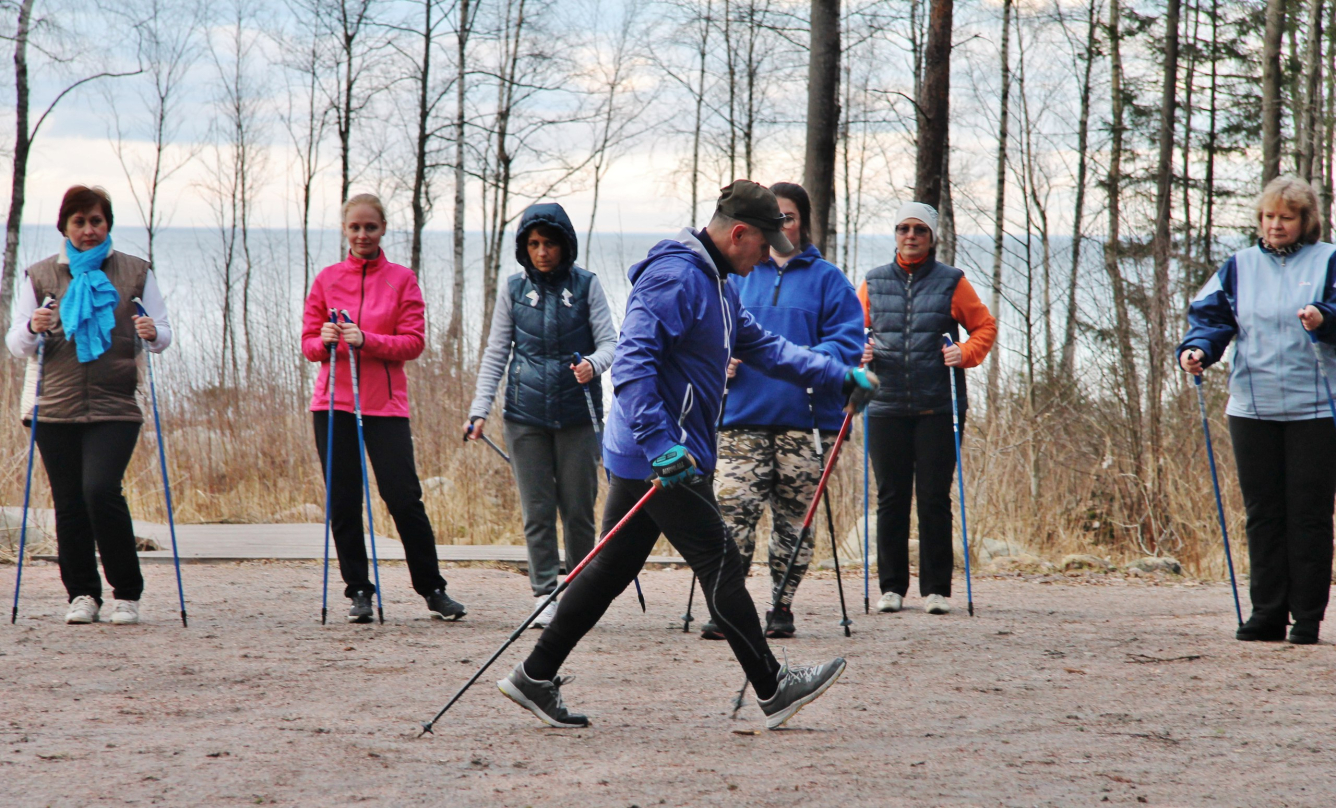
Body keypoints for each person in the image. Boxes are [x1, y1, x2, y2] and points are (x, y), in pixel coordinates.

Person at [496, 180, 879, 731]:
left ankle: (534, 674)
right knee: (721, 561)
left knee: (609, 570)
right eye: (764, 243)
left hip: (654, 453)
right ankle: (773, 687)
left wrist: (839, 374)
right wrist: (660, 444)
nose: (769, 254)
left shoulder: (718, 283)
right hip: (661, 456)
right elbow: (630, 367)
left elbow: (767, 348)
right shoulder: (677, 278)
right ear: (738, 233)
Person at [1177, 175, 1336, 645]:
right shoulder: (1238, 266)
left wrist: (1324, 318)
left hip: (1316, 408)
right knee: (1262, 513)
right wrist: (1199, 351)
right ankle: (1266, 613)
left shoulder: (1328, 259)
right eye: (1268, 216)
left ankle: (1307, 617)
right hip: (1253, 406)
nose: (1276, 225)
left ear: (1305, 221)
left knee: (1308, 514)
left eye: (1286, 217)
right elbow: (1211, 318)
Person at [5, 185, 172, 625]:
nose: (88, 230)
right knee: (69, 502)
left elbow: (164, 335)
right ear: (65, 227)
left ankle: (126, 593)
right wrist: (32, 326)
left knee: (100, 490)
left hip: (116, 404)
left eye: (96, 221)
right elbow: (16, 344)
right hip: (54, 406)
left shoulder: (135, 272)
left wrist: (153, 332)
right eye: (79, 222)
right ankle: (82, 594)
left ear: (107, 225)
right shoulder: (40, 276)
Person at [706, 181, 864, 640]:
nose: (781, 227)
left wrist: (798, 355)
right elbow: (710, 332)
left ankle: (782, 606)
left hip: (806, 421)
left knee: (795, 521)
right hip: (740, 417)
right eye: (773, 219)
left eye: (789, 217)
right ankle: (729, 607)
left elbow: (848, 344)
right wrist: (724, 358)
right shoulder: (737, 273)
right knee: (733, 514)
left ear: (804, 222)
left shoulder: (829, 280)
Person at [301, 193, 466, 624]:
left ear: (383, 229)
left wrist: (366, 340)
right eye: (354, 227)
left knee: (404, 499)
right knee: (344, 501)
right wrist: (327, 341)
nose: (362, 235)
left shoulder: (401, 280)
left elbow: (414, 342)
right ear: (344, 230)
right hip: (333, 404)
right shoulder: (326, 279)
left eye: (369, 227)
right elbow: (308, 346)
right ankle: (358, 591)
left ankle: (432, 589)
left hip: (385, 407)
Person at [465, 203, 617, 628]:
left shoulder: (587, 286)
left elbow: (611, 343)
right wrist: (479, 410)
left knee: (579, 510)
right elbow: (496, 353)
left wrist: (593, 363)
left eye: (549, 243)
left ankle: (579, 591)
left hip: (578, 416)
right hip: (524, 417)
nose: (542, 251)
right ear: (524, 248)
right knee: (537, 510)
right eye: (533, 244)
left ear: (564, 245)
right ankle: (544, 594)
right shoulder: (513, 290)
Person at [858, 202, 996, 616]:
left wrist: (965, 353)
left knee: (934, 497)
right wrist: (857, 351)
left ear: (932, 236)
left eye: (919, 229)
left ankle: (936, 589)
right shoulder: (874, 281)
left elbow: (984, 326)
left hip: (939, 406)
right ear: (895, 234)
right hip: (884, 405)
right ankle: (892, 588)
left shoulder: (952, 282)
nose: (911, 235)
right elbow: (845, 329)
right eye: (903, 228)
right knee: (891, 497)